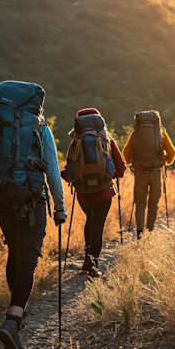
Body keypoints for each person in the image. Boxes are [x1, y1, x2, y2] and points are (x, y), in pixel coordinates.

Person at [0, 80, 66, 349]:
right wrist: (59, 208)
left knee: (15, 249)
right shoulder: (40, 128)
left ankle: (18, 306)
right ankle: (13, 320)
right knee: (28, 259)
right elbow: (52, 173)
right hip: (30, 199)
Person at [61, 108, 126, 277]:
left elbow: (68, 170)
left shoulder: (75, 143)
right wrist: (113, 175)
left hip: (83, 193)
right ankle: (93, 264)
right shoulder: (106, 140)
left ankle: (87, 261)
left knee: (90, 222)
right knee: (97, 225)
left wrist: (71, 179)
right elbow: (120, 168)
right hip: (104, 191)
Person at [122, 110, 175, 238]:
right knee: (154, 203)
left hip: (140, 172)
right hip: (156, 172)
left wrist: (131, 162)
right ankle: (149, 232)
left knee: (140, 202)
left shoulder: (135, 134)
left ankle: (140, 233)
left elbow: (125, 153)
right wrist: (164, 162)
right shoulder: (161, 133)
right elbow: (173, 152)